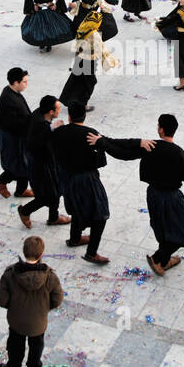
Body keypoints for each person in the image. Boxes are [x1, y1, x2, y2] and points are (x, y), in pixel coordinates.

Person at [98, 113, 184, 275]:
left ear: (160, 129)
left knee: (161, 227)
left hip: (153, 194)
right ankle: (159, 257)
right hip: (171, 197)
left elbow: (123, 151)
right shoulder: (179, 153)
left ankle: (164, 260)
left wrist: (102, 140)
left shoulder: (150, 146)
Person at [51, 100, 113, 263]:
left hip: (65, 177)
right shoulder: (90, 134)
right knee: (100, 214)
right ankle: (92, 252)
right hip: (86, 179)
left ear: (69, 116)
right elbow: (101, 161)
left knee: (77, 207)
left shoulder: (59, 132)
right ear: (84, 116)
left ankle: (75, 238)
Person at [0, 236, 64, 367]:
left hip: (16, 320)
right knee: (37, 345)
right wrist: (45, 308)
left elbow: (0, 298)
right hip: (38, 322)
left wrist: (12, 306)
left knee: (15, 344)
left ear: (24, 252)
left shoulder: (11, 274)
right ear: (41, 254)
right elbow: (57, 299)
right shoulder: (49, 277)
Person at [18, 95, 72, 229]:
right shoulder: (40, 124)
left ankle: (53, 217)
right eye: (58, 108)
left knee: (57, 190)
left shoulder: (40, 115)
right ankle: (25, 211)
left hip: (48, 163)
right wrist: (53, 130)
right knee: (47, 196)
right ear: (50, 112)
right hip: (40, 166)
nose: (60, 111)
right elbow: (38, 142)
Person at [0, 68, 32, 199]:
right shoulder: (9, 99)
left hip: (18, 136)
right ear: (16, 82)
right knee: (16, 165)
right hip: (12, 138)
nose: (26, 84)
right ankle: (1, 181)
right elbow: (14, 123)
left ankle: (21, 190)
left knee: (24, 164)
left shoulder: (11, 92)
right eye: (24, 82)